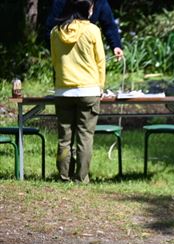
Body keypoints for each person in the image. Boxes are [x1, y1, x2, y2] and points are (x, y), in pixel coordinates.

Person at [51, 0, 105, 183]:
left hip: (63, 91)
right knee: (85, 136)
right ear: (86, 10)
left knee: (64, 138)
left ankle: (64, 175)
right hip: (89, 91)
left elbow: (55, 61)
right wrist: (100, 87)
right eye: (91, 8)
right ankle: (81, 177)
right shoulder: (92, 30)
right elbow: (100, 62)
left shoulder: (55, 32)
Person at [46, 0, 124, 61]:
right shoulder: (61, 2)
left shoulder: (100, 2)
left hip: (85, 51)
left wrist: (116, 45)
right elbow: (50, 29)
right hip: (64, 53)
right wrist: (56, 54)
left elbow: (109, 25)